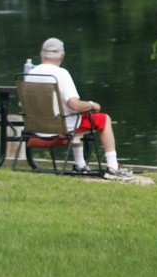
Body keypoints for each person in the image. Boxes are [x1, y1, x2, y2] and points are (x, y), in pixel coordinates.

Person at [27, 37, 134, 180]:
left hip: (37, 129)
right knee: (103, 118)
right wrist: (92, 104)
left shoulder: (29, 74)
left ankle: (80, 164)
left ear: (41, 54)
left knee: (75, 117)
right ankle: (113, 167)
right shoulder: (61, 74)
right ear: (62, 56)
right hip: (60, 128)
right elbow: (74, 105)